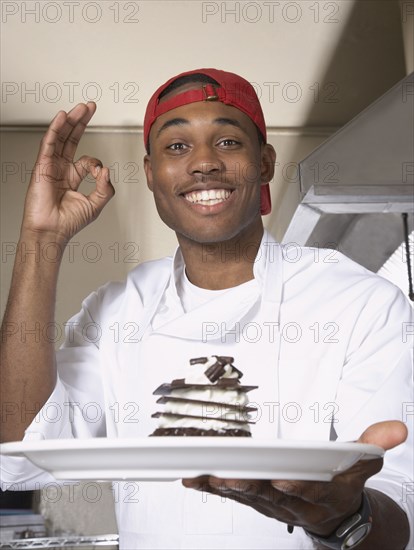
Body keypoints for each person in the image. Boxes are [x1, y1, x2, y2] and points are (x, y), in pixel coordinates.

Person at [0, 68, 413, 550]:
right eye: (176, 147)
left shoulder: (359, 302)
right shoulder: (116, 312)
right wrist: (41, 240)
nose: (203, 163)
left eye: (228, 142)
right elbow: (18, 453)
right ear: (151, 174)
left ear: (264, 162)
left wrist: (343, 517)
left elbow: (401, 506)